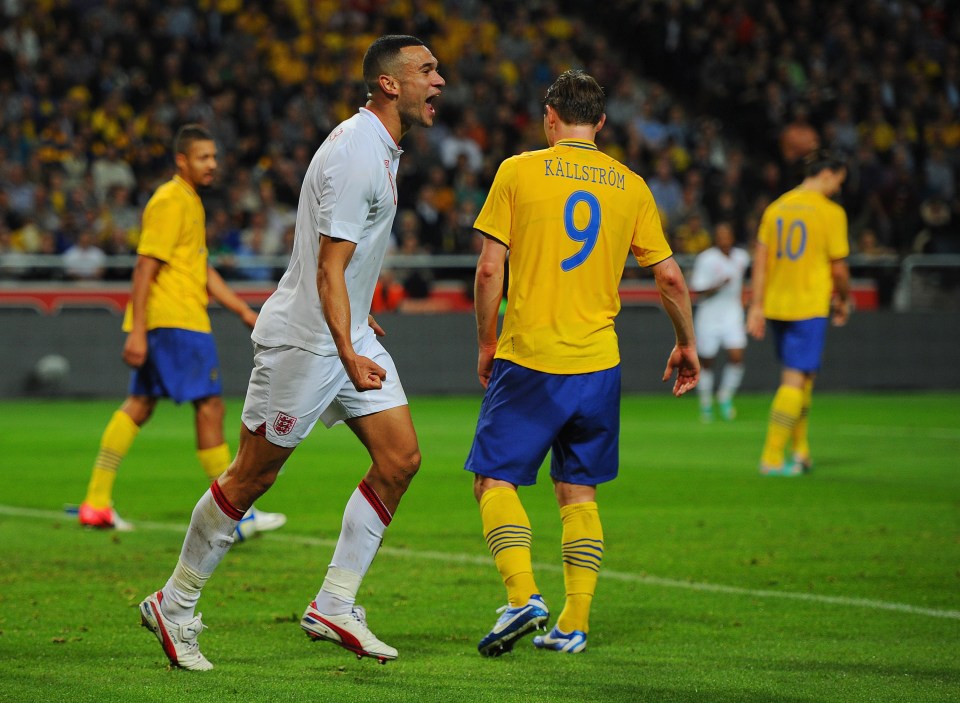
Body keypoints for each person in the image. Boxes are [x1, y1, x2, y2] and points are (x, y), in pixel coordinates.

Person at [138, 35, 444, 670]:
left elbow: (343, 270)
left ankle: (334, 602)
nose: (439, 81)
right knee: (253, 475)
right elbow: (329, 269)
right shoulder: (359, 152)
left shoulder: (380, 147)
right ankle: (175, 603)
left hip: (345, 334)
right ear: (389, 84)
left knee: (400, 459)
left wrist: (359, 322)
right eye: (427, 71)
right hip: (308, 341)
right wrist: (343, 336)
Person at [466, 70, 699, 657]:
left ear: (550, 116)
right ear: (599, 123)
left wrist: (486, 341)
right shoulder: (631, 185)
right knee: (579, 492)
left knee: (493, 480)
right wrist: (685, 342)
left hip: (532, 357)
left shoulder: (518, 171)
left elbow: (491, 268)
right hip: (599, 362)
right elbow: (669, 275)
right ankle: (574, 622)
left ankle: (522, 599)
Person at [78, 124, 286, 536]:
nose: (212, 164)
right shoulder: (171, 200)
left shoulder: (189, 202)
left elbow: (201, 269)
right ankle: (236, 515)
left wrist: (243, 311)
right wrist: (136, 331)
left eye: (214, 156)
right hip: (177, 321)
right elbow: (145, 266)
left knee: (140, 404)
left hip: (173, 320)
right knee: (210, 407)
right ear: (182, 160)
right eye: (203, 157)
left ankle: (96, 503)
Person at [746, 149, 851, 476]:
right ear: (828, 174)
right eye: (839, 182)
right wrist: (843, 299)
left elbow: (760, 262)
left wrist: (757, 306)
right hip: (808, 305)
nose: (838, 189)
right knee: (794, 380)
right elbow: (840, 269)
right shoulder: (830, 212)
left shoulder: (776, 208)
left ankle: (801, 452)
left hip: (778, 304)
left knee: (803, 377)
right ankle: (772, 458)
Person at [689, 221, 750, 422]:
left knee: (737, 356)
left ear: (732, 237)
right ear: (716, 238)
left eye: (727, 235)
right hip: (709, 316)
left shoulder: (741, 257)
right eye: (720, 235)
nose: (724, 239)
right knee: (707, 361)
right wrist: (718, 285)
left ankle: (725, 396)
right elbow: (697, 290)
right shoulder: (706, 259)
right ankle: (706, 403)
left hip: (732, 314)